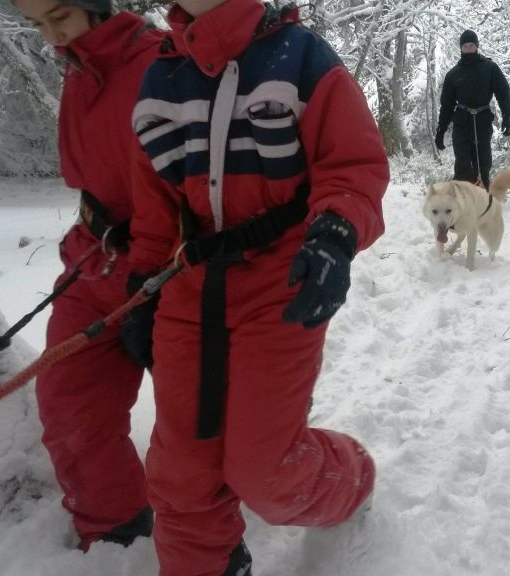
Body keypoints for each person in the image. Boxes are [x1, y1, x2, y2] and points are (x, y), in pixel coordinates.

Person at [127, 0, 387, 574]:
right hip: (189, 290)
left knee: (266, 473)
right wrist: (142, 286)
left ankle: (352, 476)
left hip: (282, 282)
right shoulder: (161, 81)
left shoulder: (303, 59)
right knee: (180, 473)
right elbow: (154, 207)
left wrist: (335, 234)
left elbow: (354, 166)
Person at [11, 0, 166, 550]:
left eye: (60, 16)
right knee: (68, 399)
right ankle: (113, 527)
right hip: (94, 261)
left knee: (208, 423)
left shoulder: (162, 63)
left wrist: (154, 272)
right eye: (38, 24)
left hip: (166, 269)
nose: (51, 35)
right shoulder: (80, 68)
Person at [434, 29, 510, 191]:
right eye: (465, 46)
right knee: (463, 166)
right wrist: (441, 131)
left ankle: (484, 197)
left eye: (471, 45)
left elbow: (503, 94)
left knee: (483, 165)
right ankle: (461, 199)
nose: (468, 49)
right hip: (461, 124)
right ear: (461, 48)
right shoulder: (453, 74)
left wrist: (508, 118)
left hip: (483, 122)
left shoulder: (490, 68)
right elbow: (447, 105)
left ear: (476, 46)